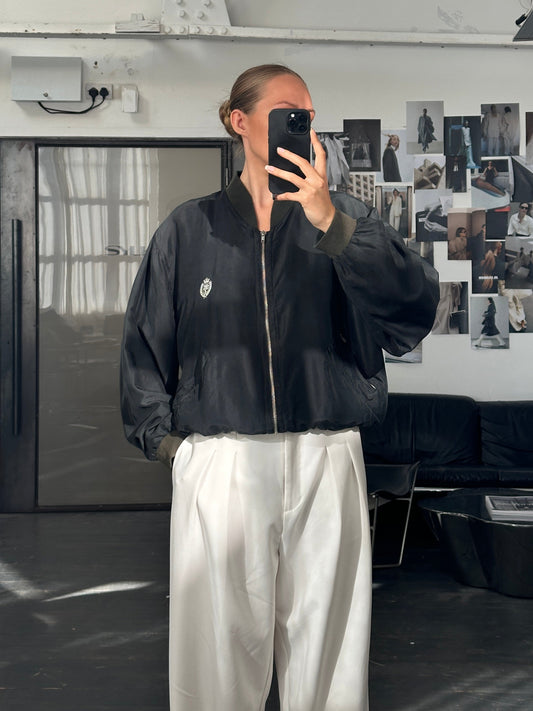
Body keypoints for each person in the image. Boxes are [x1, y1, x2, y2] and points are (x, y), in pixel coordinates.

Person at [120, 63, 439, 711]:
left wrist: (330, 221)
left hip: (327, 455)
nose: (303, 125)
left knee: (328, 653)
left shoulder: (345, 217)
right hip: (222, 461)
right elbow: (144, 346)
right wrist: (173, 448)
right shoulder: (189, 229)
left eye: (308, 116)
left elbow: (411, 313)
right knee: (215, 655)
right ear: (240, 121)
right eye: (288, 113)